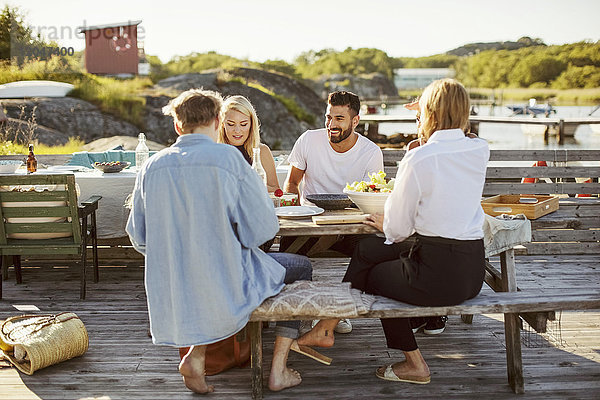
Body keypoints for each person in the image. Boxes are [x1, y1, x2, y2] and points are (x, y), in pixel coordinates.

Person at [298, 79, 489, 385]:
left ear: (429, 114)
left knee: (374, 278)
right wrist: (433, 109)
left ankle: (414, 364)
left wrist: (384, 221)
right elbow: (462, 141)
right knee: (366, 250)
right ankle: (327, 325)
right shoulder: (479, 150)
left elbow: (398, 230)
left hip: (437, 275)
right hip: (471, 272)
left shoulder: (419, 157)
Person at [126, 88, 314, 394]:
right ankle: (278, 369)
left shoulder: (152, 165)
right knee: (301, 266)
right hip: (228, 277)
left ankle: (196, 355)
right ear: (217, 121)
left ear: (177, 126)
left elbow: (138, 236)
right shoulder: (229, 159)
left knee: (210, 276)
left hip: (176, 283)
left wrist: (181, 259)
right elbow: (264, 230)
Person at [282, 90, 384, 334]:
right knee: (288, 255)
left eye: (339, 118)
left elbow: (374, 197)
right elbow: (292, 183)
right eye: (329, 117)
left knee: (373, 249)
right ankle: (287, 313)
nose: (331, 124)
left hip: (351, 227)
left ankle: (335, 311)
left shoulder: (370, 152)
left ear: (355, 121)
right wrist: (294, 209)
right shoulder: (308, 140)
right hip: (310, 222)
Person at [218, 95, 280, 192]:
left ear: (252, 124)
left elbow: (276, 190)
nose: (237, 130)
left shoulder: (262, 151)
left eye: (243, 124)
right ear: (222, 124)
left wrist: (247, 184)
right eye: (230, 124)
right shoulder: (215, 151)